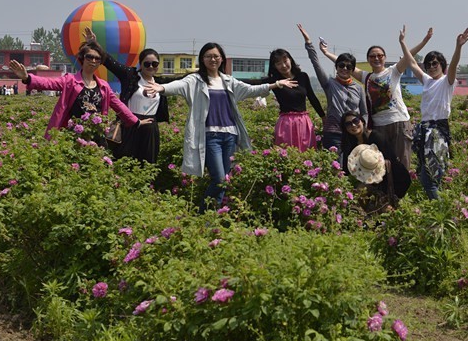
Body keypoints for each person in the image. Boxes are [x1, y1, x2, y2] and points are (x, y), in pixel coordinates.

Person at [142, 43, 296, 211]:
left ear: (221, 58)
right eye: (208, 56)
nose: (212, 59)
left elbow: (252, 90)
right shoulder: (195, 80)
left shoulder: (228, 80)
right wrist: (162, 87)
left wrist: (276, 84)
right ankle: (202, 215)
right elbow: (178, 85)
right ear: (202, 59)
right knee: (219, 179)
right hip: (210, 137)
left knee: (225, 180)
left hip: (230, 135)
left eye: (216, 56)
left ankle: (213, 216)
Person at [322, 29, 433, 171]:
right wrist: (326, 53)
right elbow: (345, 64)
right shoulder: (366, 77)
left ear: (384, 58)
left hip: (399, 121)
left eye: (380, 55)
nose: (376, 58)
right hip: (379, 126)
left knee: (403, 161)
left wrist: (423, 41)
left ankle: (402, 190)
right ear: (368, 59)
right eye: (372, 56)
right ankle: (387, 192)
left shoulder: (394, 71)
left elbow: (408, 56)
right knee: (381, 164)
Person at [8, 42, 144, 139]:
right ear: (81, 59)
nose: (93, 60)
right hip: (73, 134)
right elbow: (49, 83)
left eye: (97, 58)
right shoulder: (70, 80)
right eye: (89, 57)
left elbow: (118, 105)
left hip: (96, 135)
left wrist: (136, 121)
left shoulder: (104, 86)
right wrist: (27, 78)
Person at [84, 27, 179, 163]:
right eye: (147, 64)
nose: (151, 67)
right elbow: (109, 62)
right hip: (129, 124)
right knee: (123, 160)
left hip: (150, 129)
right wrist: (94, 44)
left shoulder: (160, 83)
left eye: (154, 64)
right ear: (140, 64)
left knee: (148, 164)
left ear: (158, 65)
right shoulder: (130, 75)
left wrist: (203, 73)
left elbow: (182, 80)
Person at [398, 26, 468, 199]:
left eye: (435, 63)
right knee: (428, 177)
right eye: (429, 64)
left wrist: (459, 46)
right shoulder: (427, 80)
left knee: (430, 178)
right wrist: (403, 42)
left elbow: (453, 65)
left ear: (442, 65)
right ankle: (437, 210)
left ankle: (440, 209)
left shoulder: (447, 82)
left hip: (437, 131)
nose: (431, 67)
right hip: (424, 130)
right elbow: (411, 62)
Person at [297, 24, 367, 152]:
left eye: (348, 67)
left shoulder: (358, 88)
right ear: (336, 67)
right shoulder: (329, 84)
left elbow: (364, 112)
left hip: (353, 133)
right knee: (334, 165)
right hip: (334, 132)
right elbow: (316, 65)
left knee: (352, 167)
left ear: (352, 70)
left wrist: (363, 130)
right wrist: (309, 43)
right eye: (341, 65)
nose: (344, 68)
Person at [248, 48, 325, 152]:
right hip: (286, 123)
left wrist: (323, 117)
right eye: (278, 63)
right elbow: (253, 83)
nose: (283, 65)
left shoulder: (302, 76)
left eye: (285, 61)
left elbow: (312, 98)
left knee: (307, 153)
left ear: (290, 60)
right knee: (286, 154)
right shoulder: (275, 80)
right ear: (274, 66)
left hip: (304, 122)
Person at [340, 111, 410, 208]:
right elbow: (346, 168)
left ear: (362, 122)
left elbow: (390, 161)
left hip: (393, 178)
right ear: (345, 128)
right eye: (348, 124)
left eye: (355, 121)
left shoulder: (376, 137)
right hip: (370, 179)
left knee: (380, 205)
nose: (353, 125)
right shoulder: (350, 143)